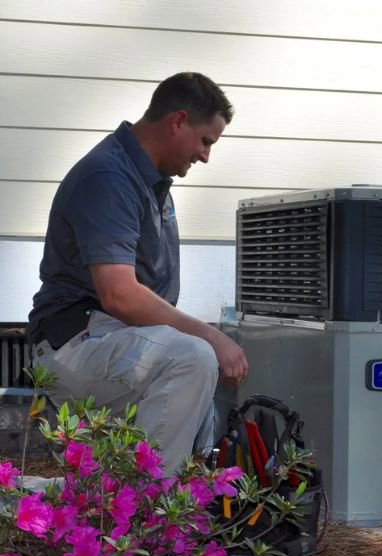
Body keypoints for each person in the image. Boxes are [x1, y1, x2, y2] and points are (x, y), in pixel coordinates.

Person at [27, 72, 248, 475]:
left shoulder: (149, 179)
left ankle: (147, 499)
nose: (205, 156)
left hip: (114, 336)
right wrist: (210, 335)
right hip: (74, 340)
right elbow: (119, 295)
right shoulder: (109, 177)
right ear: (178, 121)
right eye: (205, 141)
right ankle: (152, 518)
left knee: (206, 357)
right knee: (193, 357)